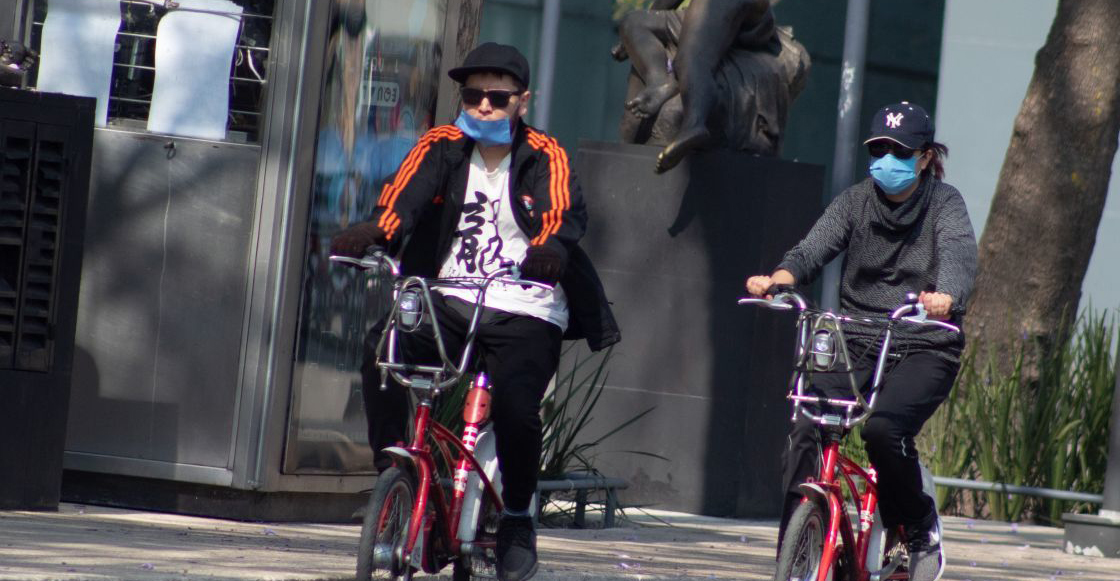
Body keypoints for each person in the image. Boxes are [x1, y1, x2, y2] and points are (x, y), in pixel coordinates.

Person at [330, 42, 620, 581]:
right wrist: (376, 232)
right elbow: (403, 200)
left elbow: (561, 211)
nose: (484, 105)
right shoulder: (441, 145)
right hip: (450, 297)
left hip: (527, 305)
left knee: (517, 407)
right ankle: (393, 471)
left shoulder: (544, 153)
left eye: (498, 97)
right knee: (381, 350)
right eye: (472, 95)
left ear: (522, 101)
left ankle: (517, 519)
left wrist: (550, 250)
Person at [745, 102, 977, 581]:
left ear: (925, 157)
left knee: (883, 433)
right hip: (857, 337)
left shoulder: (945, 203)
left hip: (926, 341)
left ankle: (919, 527)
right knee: (808, 424)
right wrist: (779, 280)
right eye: (879, 150)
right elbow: (811, 249)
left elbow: (958, 255)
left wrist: (947, 296)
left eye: (900, 151)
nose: (887, 160)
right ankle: (795, 551)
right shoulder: (855, 201)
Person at [612, 0, 781, 172]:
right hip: (704, 10)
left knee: (691, 55)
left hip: (737, 13)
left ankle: (695, 123)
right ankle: (660, 81)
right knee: (633, 22)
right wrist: (628, 41)